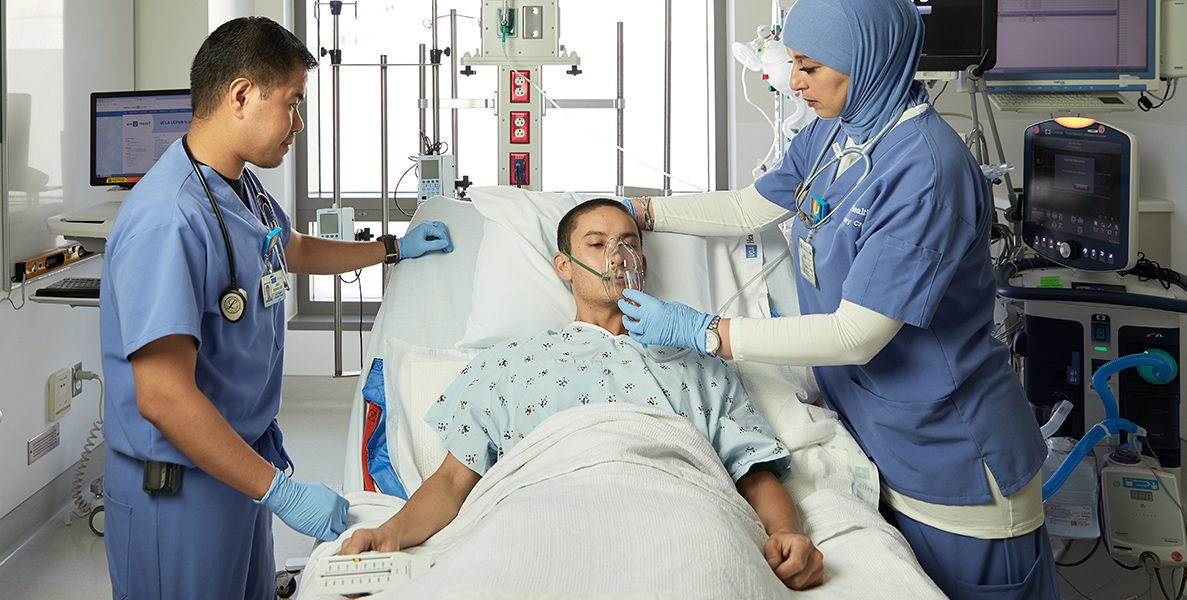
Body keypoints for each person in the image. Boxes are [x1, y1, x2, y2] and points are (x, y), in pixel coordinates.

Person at [616, 1, 1057, 598]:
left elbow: (857, 334)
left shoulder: (925, 169)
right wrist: (638, 212)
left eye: (811, 67)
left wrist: (707, 332)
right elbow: (749, 208)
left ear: (869, 62)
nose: (793, 82)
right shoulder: (833, 131)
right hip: (875, 440)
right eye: (792, 62)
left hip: (950, 455)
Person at [99, 16, 451, 600]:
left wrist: (390, 248)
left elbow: (292, 250)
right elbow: (162, 396)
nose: (299, 123)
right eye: (291, 103)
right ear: (241, 95)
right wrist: (281, 494)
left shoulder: (241, 189)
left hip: (237, 467)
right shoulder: (169, 219)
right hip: (179, 489)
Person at [341, 199, 825, 591]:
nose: (616, 256)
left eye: (627, 244)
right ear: (563, 266)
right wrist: (390, 533)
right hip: (537, 511)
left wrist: (787, 533)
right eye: (596, 244)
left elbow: (753, 472)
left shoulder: (699, 359)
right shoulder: (509, 362)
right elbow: (450, 482)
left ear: (643, 262)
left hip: (682, 514)